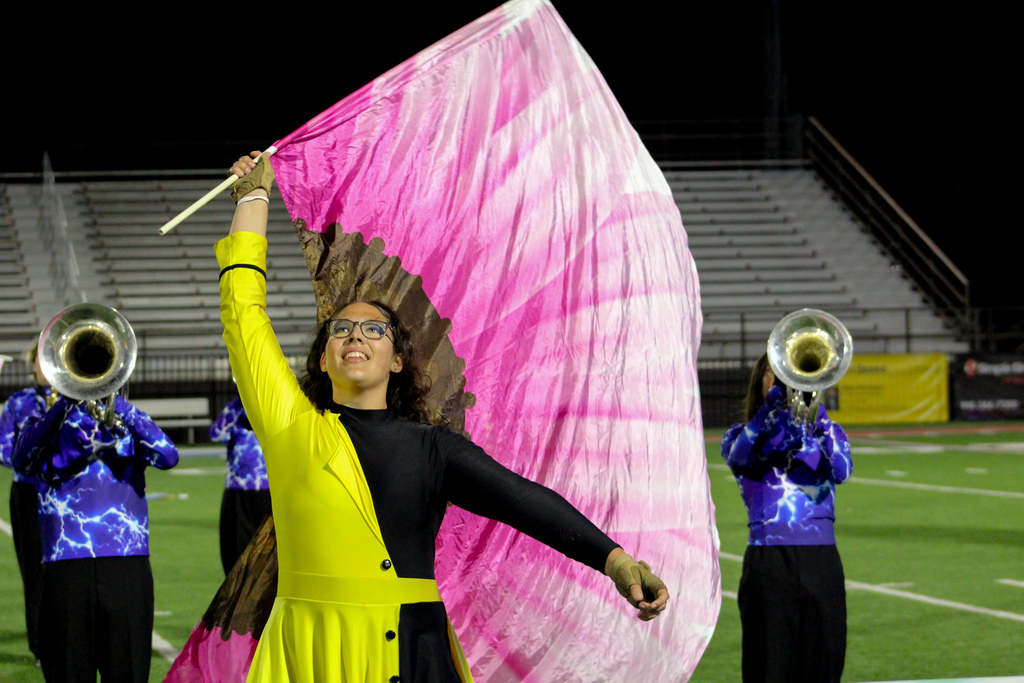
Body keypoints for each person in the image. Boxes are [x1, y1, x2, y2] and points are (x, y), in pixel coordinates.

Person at [219, 152, 668, 682]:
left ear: (400, 359)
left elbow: (523, 501)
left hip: (414, 648)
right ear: (322, 358)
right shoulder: (290, 423)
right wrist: (253, 197)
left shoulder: (434, 448)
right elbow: (243, 311)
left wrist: (614, 561)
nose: (355, 336)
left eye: (374, 330)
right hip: (309, 645)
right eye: (340, 330)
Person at [11, 388, 179, 682]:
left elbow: (168, 455)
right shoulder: (46, 425)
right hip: (65, 568)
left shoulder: (127, 425)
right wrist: (64, 402)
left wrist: (122, 409)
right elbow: (20, 458)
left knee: (128, 674)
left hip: (126, 564)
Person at [721, 352, 852, 683]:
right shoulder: (739, 435)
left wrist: (818, 415)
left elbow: (841, 469)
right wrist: (769, 410)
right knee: (768, 669)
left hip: (822, 563)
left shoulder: (829, 431)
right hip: (768, 564)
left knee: (824, 667)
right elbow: (741, 457)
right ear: (759, 380)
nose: (784, 378)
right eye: (774, 372)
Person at [0, 343, 50, 663]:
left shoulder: (80, 403)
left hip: (65, 497)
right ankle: (40, 647)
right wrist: (34, 463)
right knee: (34, 573)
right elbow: (3, 449)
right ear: (33, 365)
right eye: (41, 361)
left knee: (66, 572)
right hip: (29, 495)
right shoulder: (19, 402)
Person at [210, 394, 272, 574]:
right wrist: (238, 404)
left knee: (268, 555)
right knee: (235, 555)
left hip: (270, 491)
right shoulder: (235, 409)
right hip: (237, 490)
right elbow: (215, 434)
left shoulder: (272, 406)